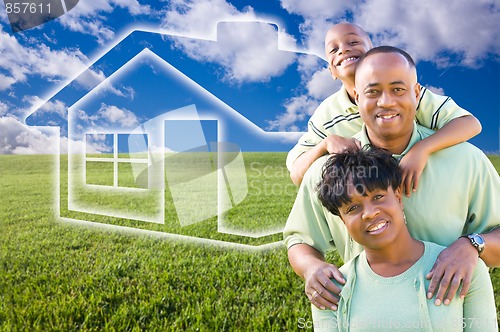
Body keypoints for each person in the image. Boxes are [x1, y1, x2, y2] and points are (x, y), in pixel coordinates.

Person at [283, 46, 500, 312]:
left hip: (450, 316)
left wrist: (472, 245)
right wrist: (311, 268)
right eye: (373, 92)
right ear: (356, 96)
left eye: (398, 89)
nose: (385, 102)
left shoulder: (466, 160)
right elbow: (299, 240)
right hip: (368, 317)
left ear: (417, 93)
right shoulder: (327, 171)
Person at [311, 148, 497, 331]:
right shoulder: (330, 290)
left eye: (378, 197)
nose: (369, 213)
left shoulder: (463, 267)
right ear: (343, 221)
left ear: (398, 197)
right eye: (352, 208)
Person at [287, 23, 482, 197]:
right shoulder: (327, 114)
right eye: (333, 49)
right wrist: (325, 144)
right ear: (332, 71)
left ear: (373, 53)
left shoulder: (408, 94)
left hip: (422, 187)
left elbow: (470, 124)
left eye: (353, 42)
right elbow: (297, 174)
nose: (344, 49)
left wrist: (422, 149)